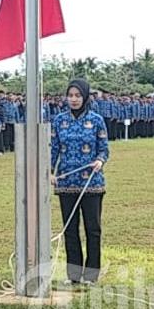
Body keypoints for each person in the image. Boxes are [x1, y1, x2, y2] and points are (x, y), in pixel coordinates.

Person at [49, 79, 109, 287]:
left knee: (93, 229)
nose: (74, 99)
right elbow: (54, 149)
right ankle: (73, 274)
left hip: (91, 183)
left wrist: (100, 160)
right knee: (70, 230)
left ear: (85, 97)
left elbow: (104, 148)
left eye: (78, 96)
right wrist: (49, 171)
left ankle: (91, 275)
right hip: (66, 182)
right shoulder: (59, 120)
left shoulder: (96, 120)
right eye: (70, 95)